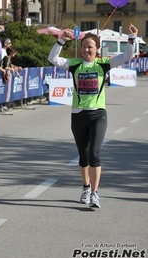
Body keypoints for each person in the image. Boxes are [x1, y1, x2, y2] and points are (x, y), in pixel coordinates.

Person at [48, 24, 138, 208]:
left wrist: (132, 38)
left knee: (94, 154)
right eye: (84, 47)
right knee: (83, 157)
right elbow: (53, 58)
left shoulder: (103, 64)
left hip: (98, 115)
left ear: (97, 49)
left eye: (90, 47)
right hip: (78, 115)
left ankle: (95, 194)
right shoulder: (74, 65)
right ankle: (86, 187)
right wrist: (61, 41)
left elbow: (127, 56)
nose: (86, 50)